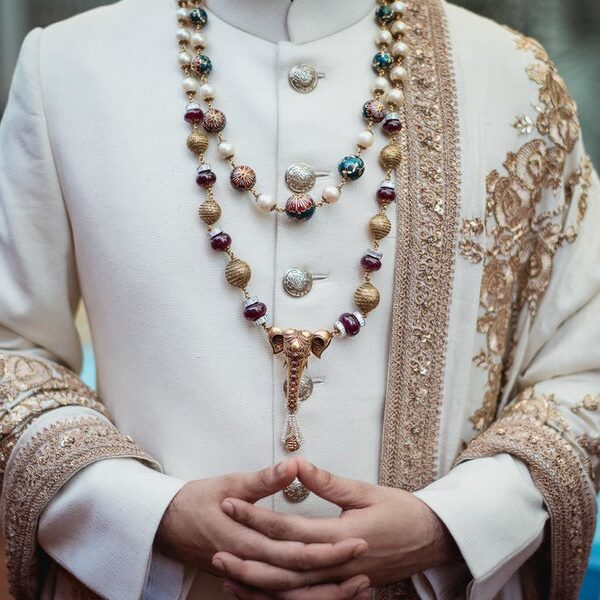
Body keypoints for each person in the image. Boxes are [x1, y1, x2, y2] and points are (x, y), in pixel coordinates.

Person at [0, 0, 598, 598]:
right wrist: (146, 514)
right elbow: (12, 349)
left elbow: (581, 370)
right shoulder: (69, 68)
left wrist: (452, 525)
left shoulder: (513, 79)